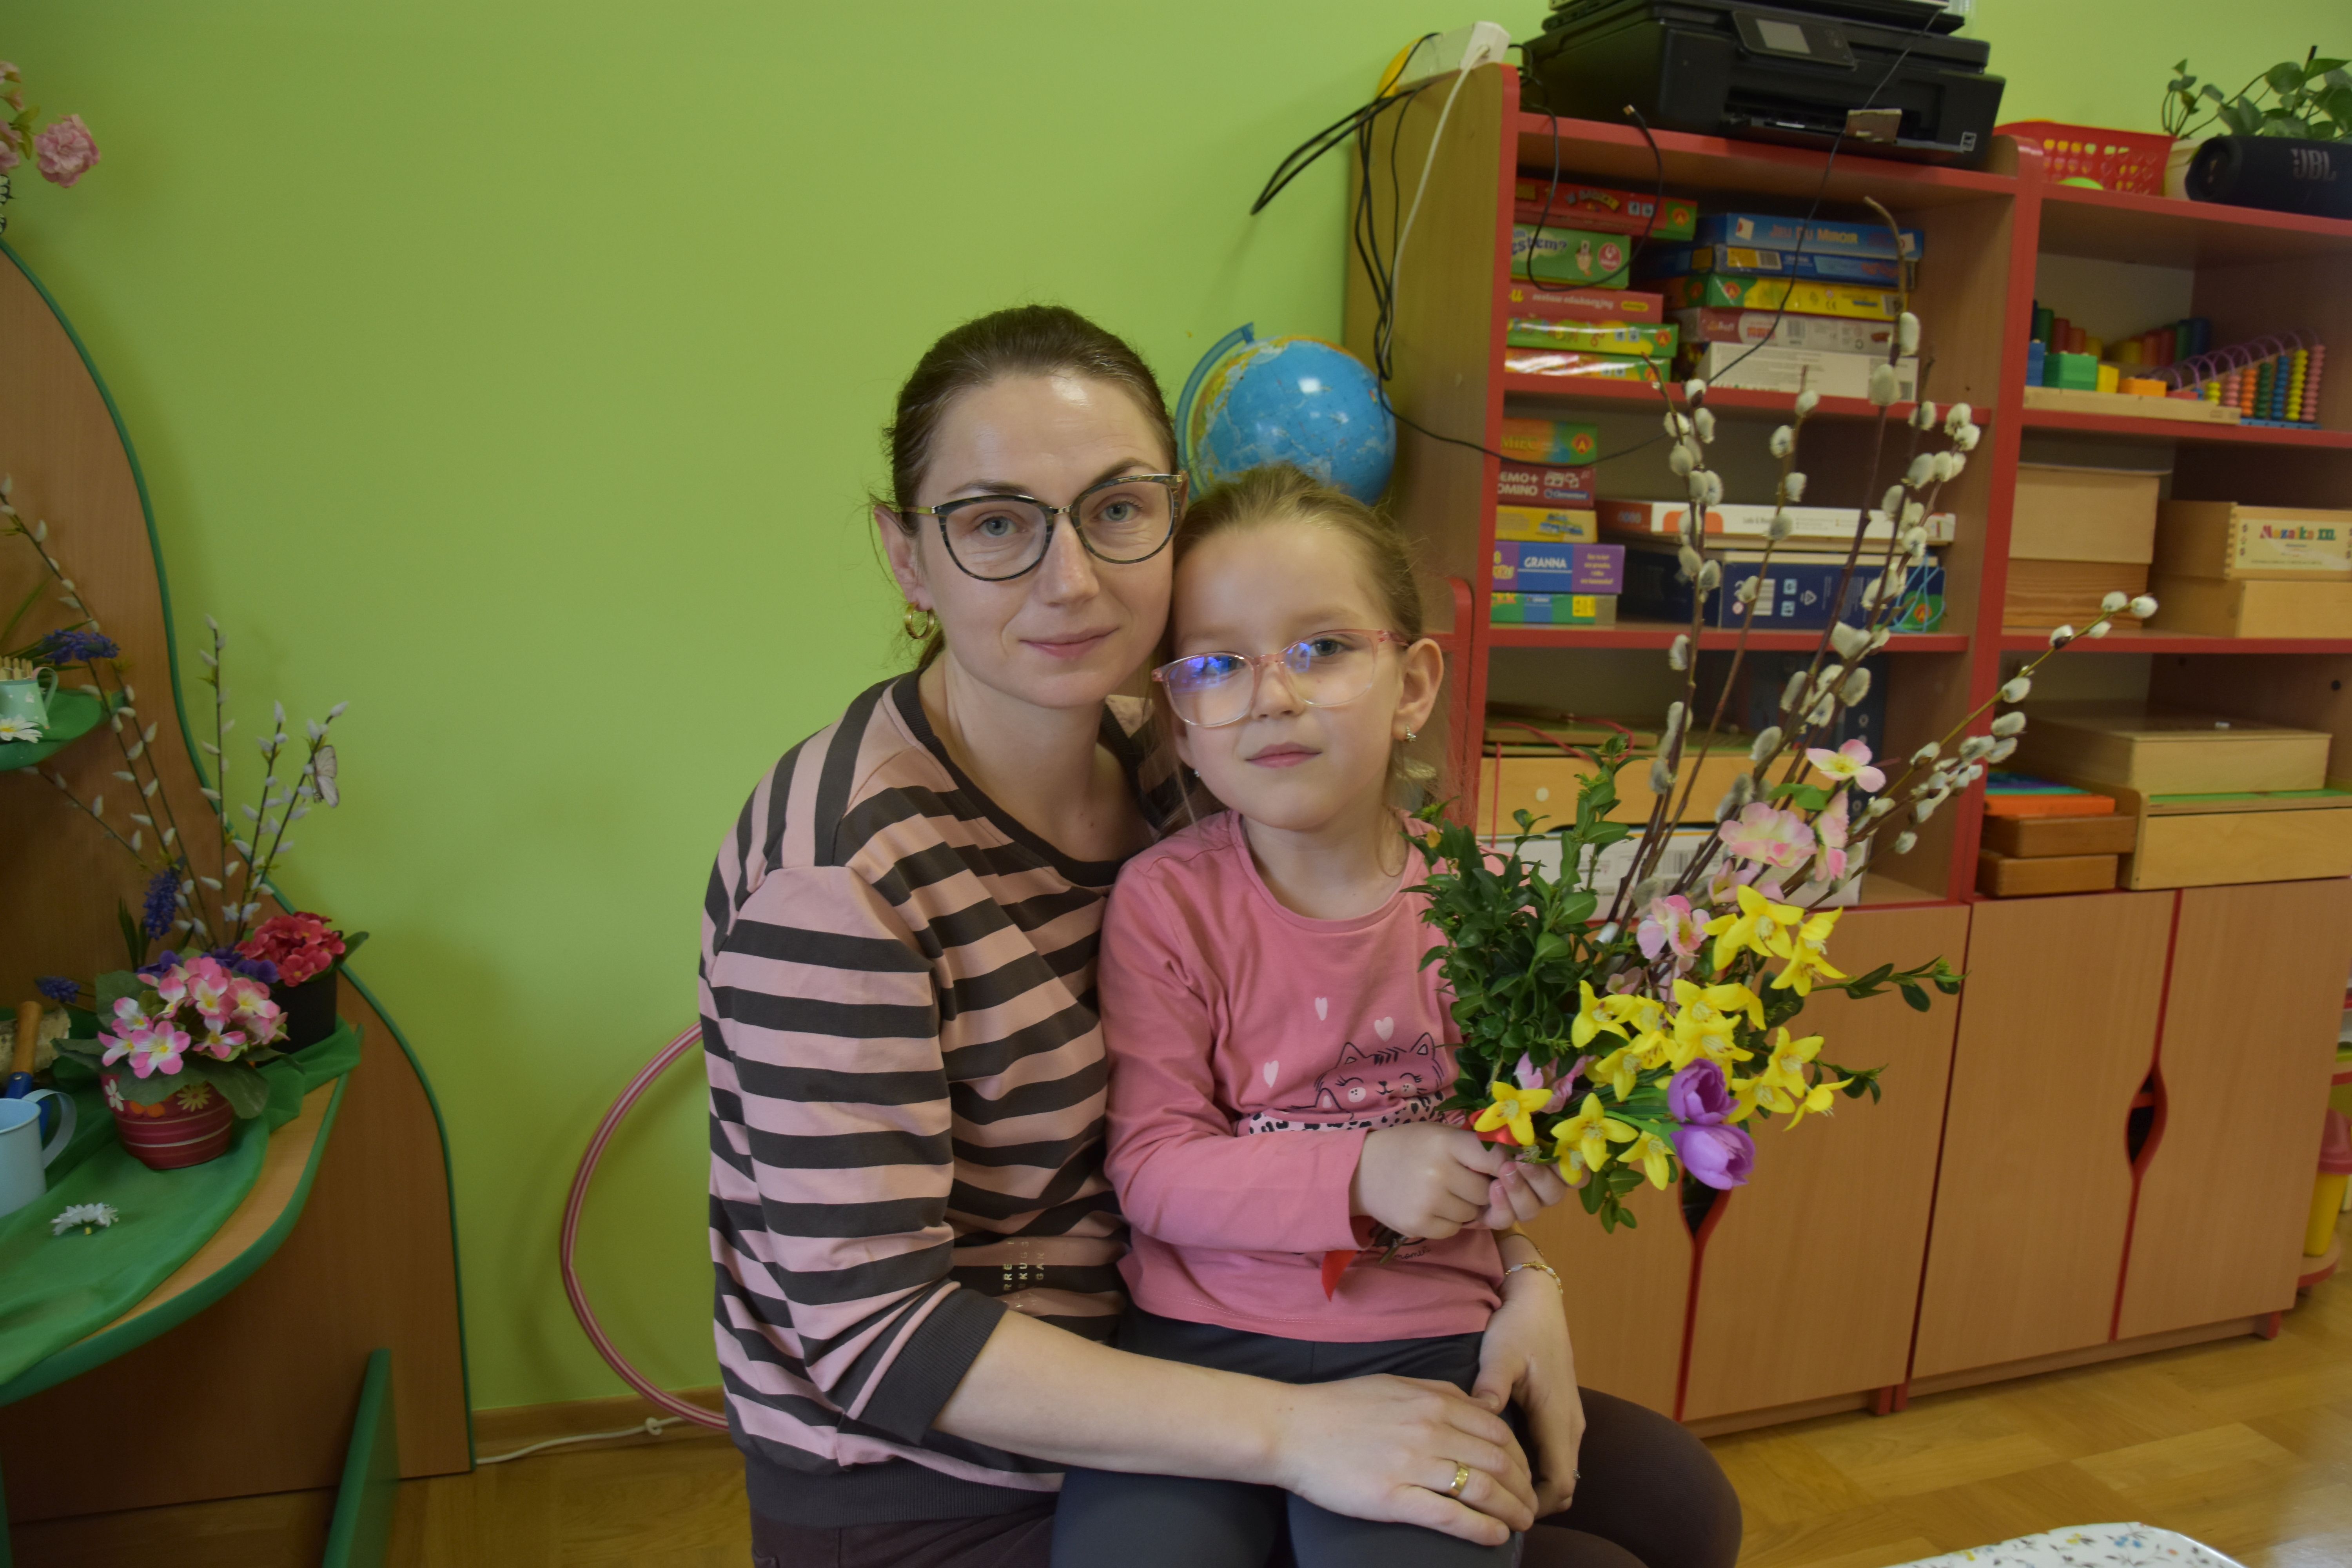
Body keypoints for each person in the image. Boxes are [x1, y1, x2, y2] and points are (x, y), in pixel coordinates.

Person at [698, 305, 1741, 1568]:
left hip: (1217, 1331)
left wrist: (1521, 1279)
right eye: (995, 524)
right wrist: (1301, 1435)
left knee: (1677, 1505)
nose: (1070, 578)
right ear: (908, 557)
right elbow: (873, 1338)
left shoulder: (1185, 765)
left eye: (1116, 509)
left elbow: (1372, 1095)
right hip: (947, 1474)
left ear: (1173, 522)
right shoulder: (836, 878)